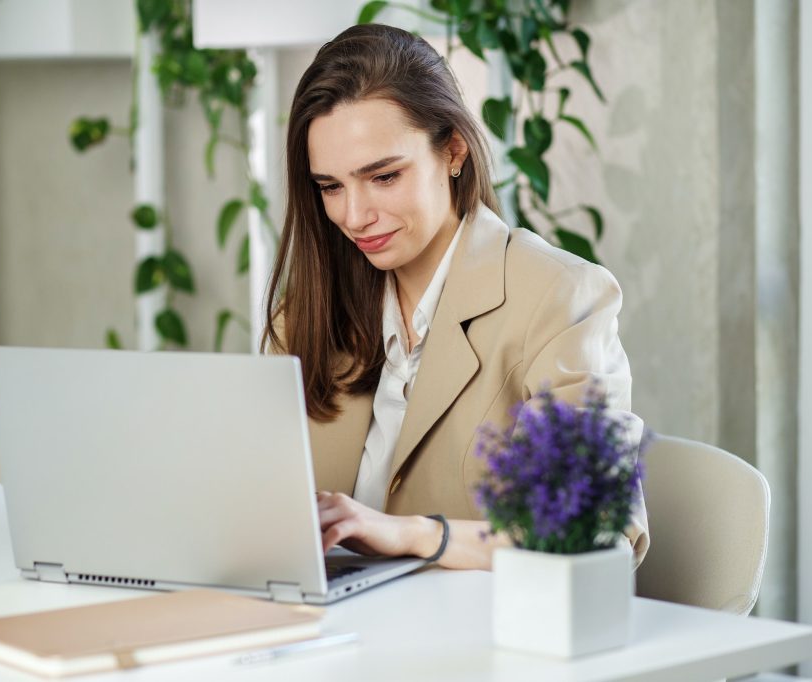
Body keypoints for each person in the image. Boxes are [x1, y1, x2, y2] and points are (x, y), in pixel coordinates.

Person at [262, 23, 648, 571]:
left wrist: (416, 535)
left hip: (479, 638)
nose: (354, 215)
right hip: (327, 633)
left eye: (384, 177)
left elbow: (592, 531)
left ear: (454, 151)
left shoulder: (561, 297)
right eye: (330, 187)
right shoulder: (306, 315)